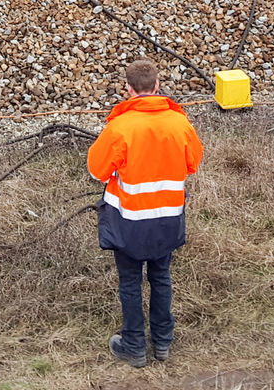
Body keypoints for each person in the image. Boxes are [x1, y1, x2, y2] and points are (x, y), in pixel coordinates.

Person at [86, 58, 204, 367]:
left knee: (129, 282)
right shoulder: (180, 123)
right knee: (161, 277)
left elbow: (97, 170)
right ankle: (163, 342)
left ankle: (134, 346)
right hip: (167, 218)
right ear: (157, 87)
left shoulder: (120, 127)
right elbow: (193, 162)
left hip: (128, 221)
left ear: (128, 89)